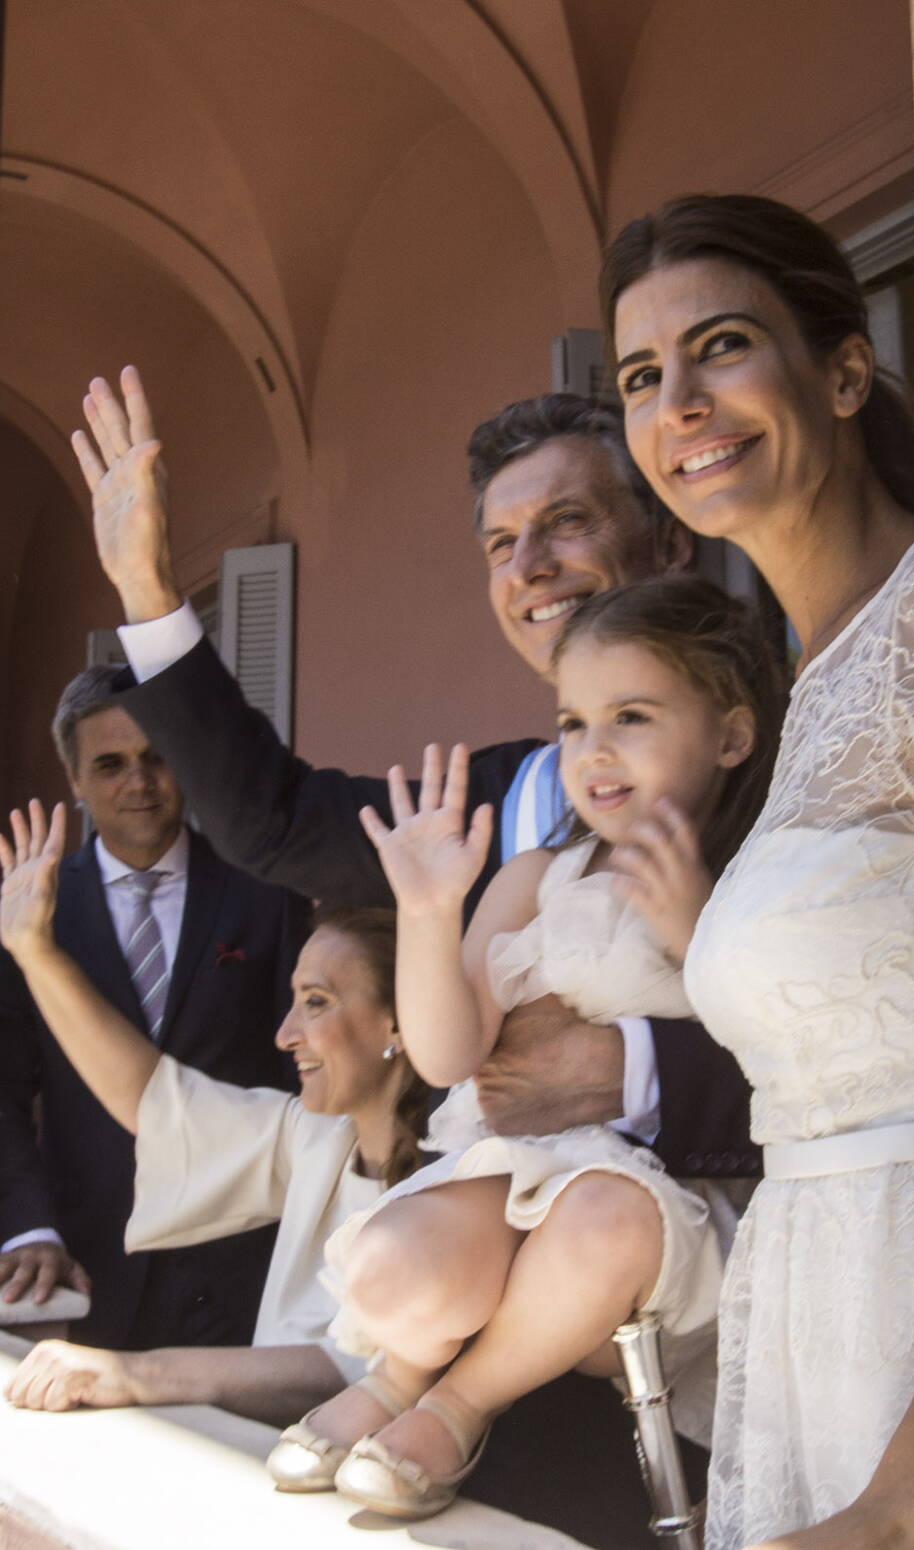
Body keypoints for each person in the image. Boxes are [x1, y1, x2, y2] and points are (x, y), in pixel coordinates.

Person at [73, 372, 757, 1178]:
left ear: (670, 543)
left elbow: (860, 1042)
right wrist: (148, 591)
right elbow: (271, 821)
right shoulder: (468, 815)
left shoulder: (770, 776)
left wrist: (634, 1068)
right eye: (501, 544)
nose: (529, 566)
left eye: (567, 521)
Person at [602, 194, 914, 1550]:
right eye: (643, 378)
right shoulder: (804, 682)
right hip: (818, 1316)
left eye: (724, 347)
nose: (680, 403)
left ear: (845, 371)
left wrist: (910, 1498)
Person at [290, 576, 786, 1521]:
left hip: (652, 1212)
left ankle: (455, 1404)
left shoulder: (751, 876)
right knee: (389, 1269)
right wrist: (430, 916)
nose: (593, 751)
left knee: (604, 1219)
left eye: (631, 716)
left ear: (730, 734)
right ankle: (399, 1371)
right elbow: (445, 1058)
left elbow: (772, 1042)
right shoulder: (532, 877)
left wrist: (695, 933)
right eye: (571, 723)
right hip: (514, 1172)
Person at [0, 809, 419, 1436]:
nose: (285, 1035)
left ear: (398, 1021)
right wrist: (34, 951)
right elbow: (154, 1100)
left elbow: (363, 1369)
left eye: (316, 1003)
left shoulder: (461, 1170)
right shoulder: (318, 1136)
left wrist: (135, 1374)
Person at [0, 668, 307, 1351]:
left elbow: (305, 1073)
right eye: (111, 764)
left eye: (158, 757)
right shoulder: (27, 908)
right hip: (87, 1267)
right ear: (75, 778)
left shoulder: (266, 893)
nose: (139, 784)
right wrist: (29, 1228)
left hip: (244, 1264)